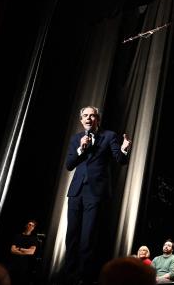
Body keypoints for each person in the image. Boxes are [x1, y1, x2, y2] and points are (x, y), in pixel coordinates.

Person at [65, 106, 132, 284]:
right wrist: (81, 149)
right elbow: (69, 164)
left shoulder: (108, 136)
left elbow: (121, 160)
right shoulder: (76, 138)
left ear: (97, 120)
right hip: (76, 192)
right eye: (85, 116)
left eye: (92, 115)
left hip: (95, 193)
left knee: (88, 237)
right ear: (81, 120)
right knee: (71, 235)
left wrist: (124, 149)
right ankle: (70, 276)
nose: (88, 118)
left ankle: (84, 277)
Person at [8, 220, 39, 284]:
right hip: (13, 263)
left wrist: (19, 248)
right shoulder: (17, 236)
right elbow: (12, 250)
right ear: (26, 225)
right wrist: (25, 251)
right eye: (29, 224)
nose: (30, 226)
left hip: (25, 265)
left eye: (33, 226)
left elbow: (31, 252)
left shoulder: (34, 238)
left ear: (33, 228)